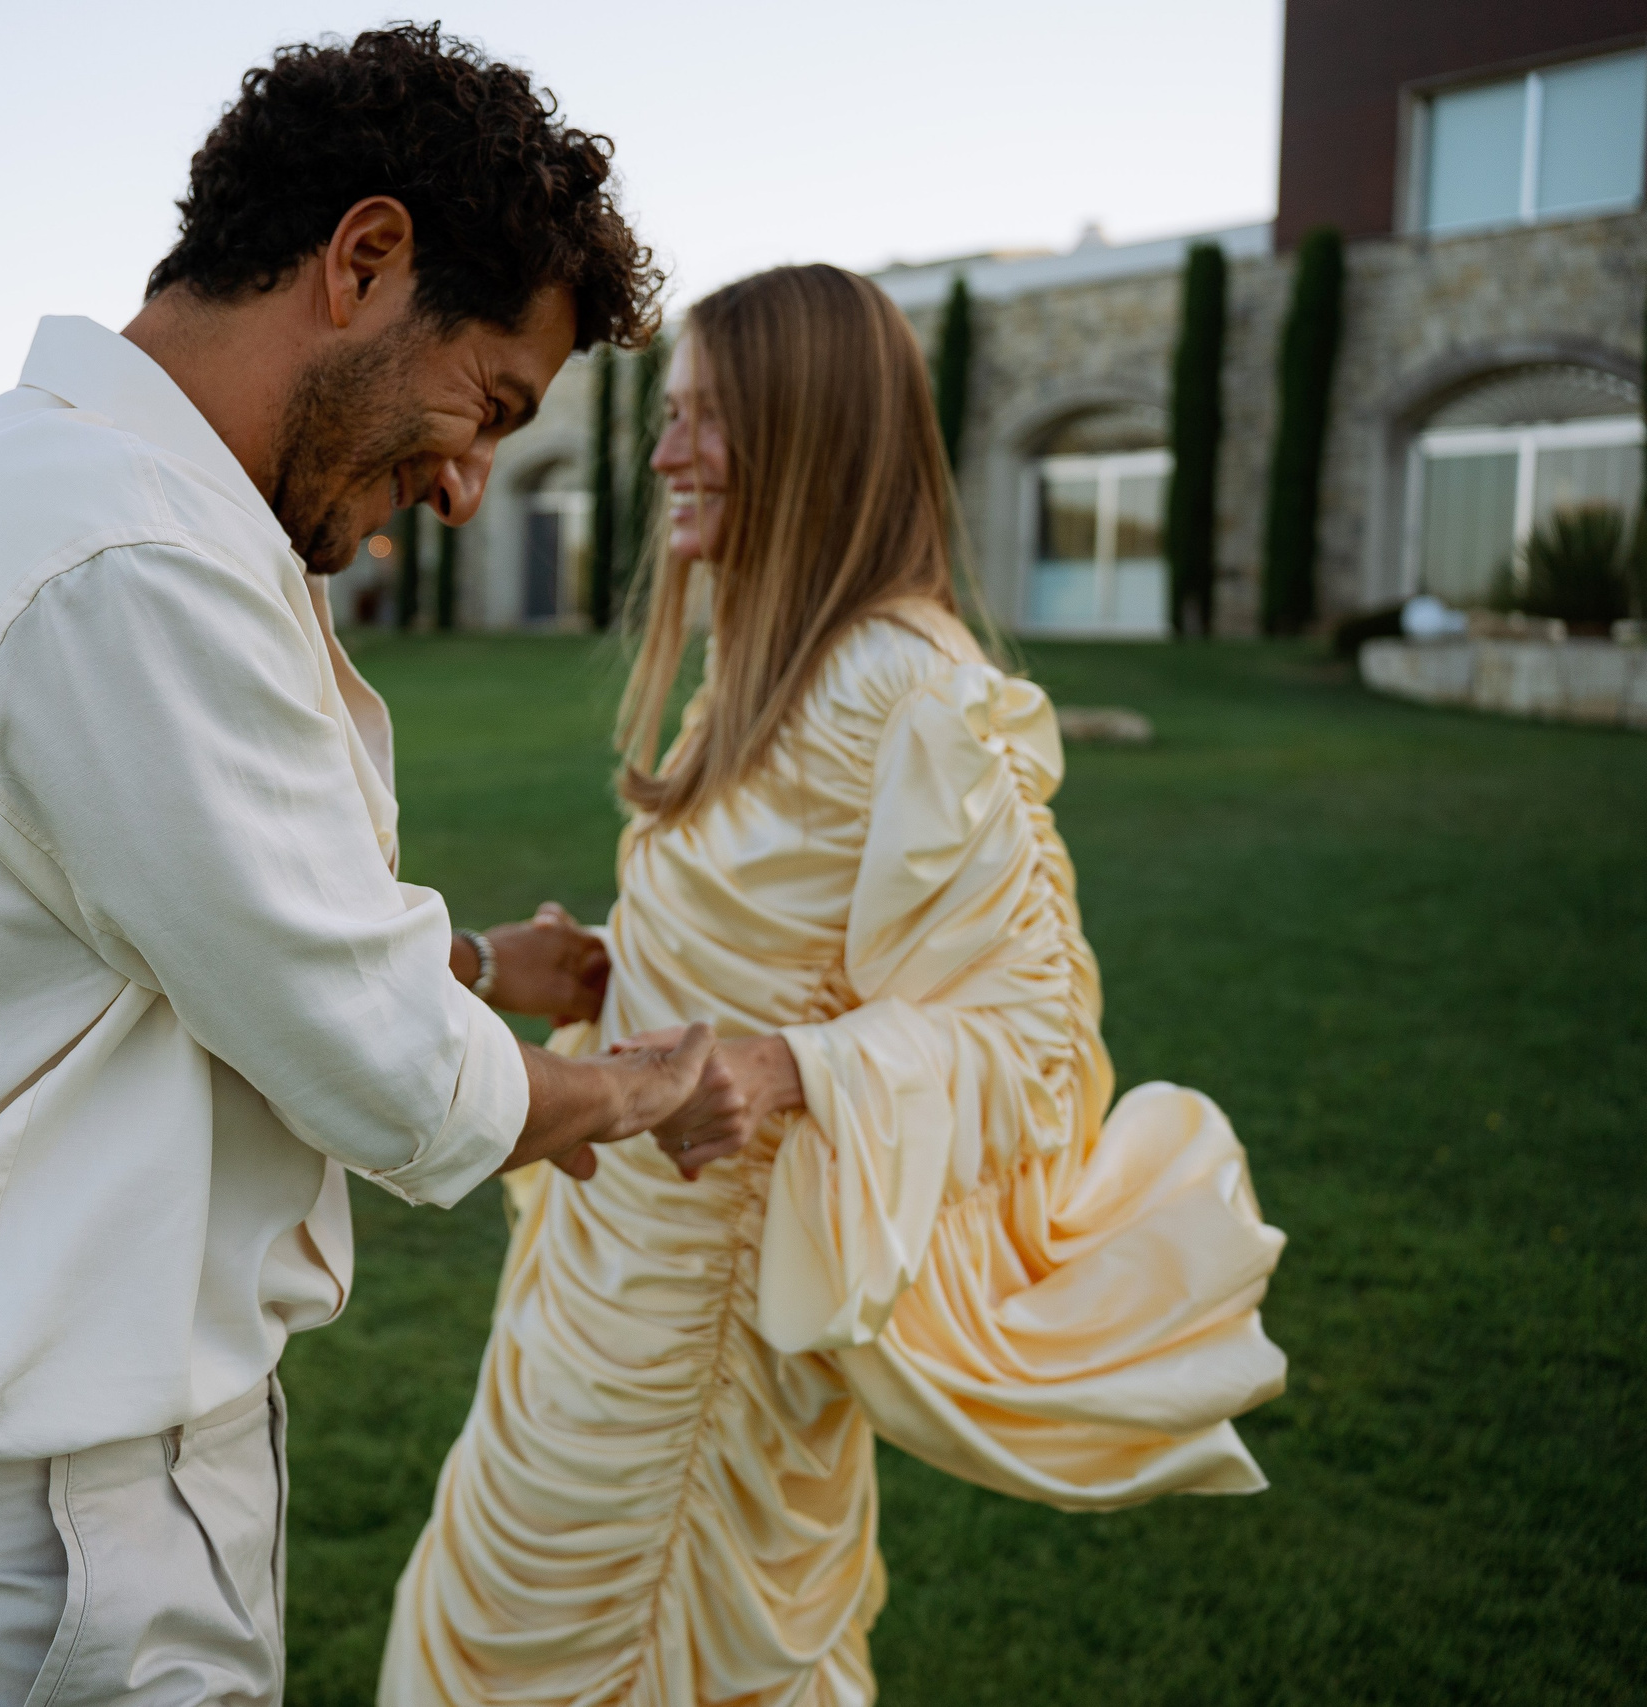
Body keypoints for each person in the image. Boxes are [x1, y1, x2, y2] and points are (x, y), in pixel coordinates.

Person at [0, 25, 707, 1707]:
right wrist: (648, 1095)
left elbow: (164, 955)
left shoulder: (36, 490)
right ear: (366, 257)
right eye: (490, 404)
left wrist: (471, 964)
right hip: (40, 1552)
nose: (474, 485)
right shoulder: (128, 554)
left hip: (12, 1518)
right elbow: (374, 1062)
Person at [380, 265, 1291, 1706]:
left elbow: (1032, 1038)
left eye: (710, 422)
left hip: (709, 1360)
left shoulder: (906, 690)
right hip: (590, 1293)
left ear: (819, 434)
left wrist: (792, 1071)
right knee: (493, 1621)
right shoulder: (762, 650)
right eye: (670, 418)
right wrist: (600, 973)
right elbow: (765, 950)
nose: (668, 456)